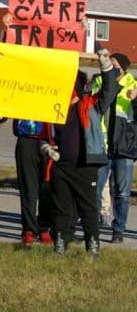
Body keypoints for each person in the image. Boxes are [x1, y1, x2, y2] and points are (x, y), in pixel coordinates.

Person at [49, 51, 117, 259]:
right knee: (61, 208)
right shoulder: (55, 110)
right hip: (62, 167)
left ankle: (93, 248)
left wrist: (105, 66)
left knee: (88, 209)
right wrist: (46, 148)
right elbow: (46, 135)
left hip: (86, 167)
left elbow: (109, 90)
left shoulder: (92, 106)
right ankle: (60, 246)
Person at [91, 53, 137, 244]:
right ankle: (93, 225)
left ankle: (118, 229)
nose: (110, 66)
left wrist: (135, 100)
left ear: (124, 68)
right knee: (95, 189)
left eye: (115, 64)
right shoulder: (99, 81)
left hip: (124, 147)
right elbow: (92, 106)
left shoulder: (133, 86)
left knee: (122, 192)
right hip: (101, 144)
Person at [13, 119, 55, 246]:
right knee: (28, 187)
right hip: (26, 136)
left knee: (48, 188)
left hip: (50, 139)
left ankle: (44, 227)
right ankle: (29, 229)